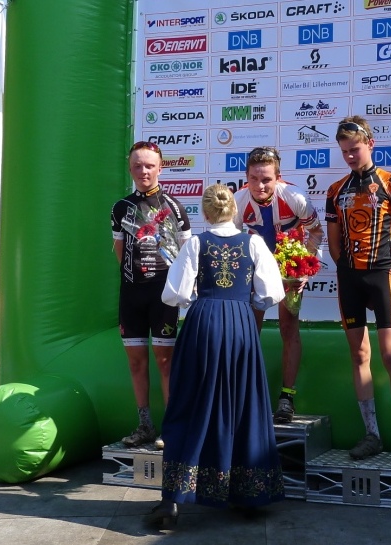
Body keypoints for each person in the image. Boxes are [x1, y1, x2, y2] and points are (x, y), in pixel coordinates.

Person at [146, 184, 285, 527]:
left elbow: (173, 294)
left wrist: (198, 300)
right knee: (244, 404)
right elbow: (272, 293)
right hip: (240, 325)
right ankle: (248, 494)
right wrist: (246, 303)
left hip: (203, 324)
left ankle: (172, 501)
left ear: (206, 214)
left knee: (190, 403)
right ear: (234, 211)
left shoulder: (196, 243)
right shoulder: (254, 243)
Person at [325, 115, 391, 468]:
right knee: (359, 356)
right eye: (345, 151)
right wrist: (347, 269)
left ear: (370, 143)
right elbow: (334, 243)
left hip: (382, 276)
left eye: (355, 149)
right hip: (350, 279)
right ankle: (372, 435)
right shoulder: (335, 190)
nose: (350, 156)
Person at [233, 146, 324, 423]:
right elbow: (232, 242)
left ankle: (287, 398)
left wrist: (304, 266)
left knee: (288, 328)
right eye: (253, 179)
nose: (259, 186)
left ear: (278, 177)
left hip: (288, 270)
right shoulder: (238, 201)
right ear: (246, 177)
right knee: (250, 331)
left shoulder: (295, 197)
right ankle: (246, 395)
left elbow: (316, 232)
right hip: (256, 271)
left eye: (266, 180)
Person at [111, 141, 192, 449]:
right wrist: (135, 279)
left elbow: (187, 254)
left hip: (163, 296)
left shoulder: (174, 207)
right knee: (136, 363)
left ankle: (171, 428)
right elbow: (120, 252)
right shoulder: (121, 208)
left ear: (160, 168)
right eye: (137, 166)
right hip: (132, 296)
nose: (143, 171)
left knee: (165, 361)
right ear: (130, 168)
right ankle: (145, 425)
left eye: (149, 165)